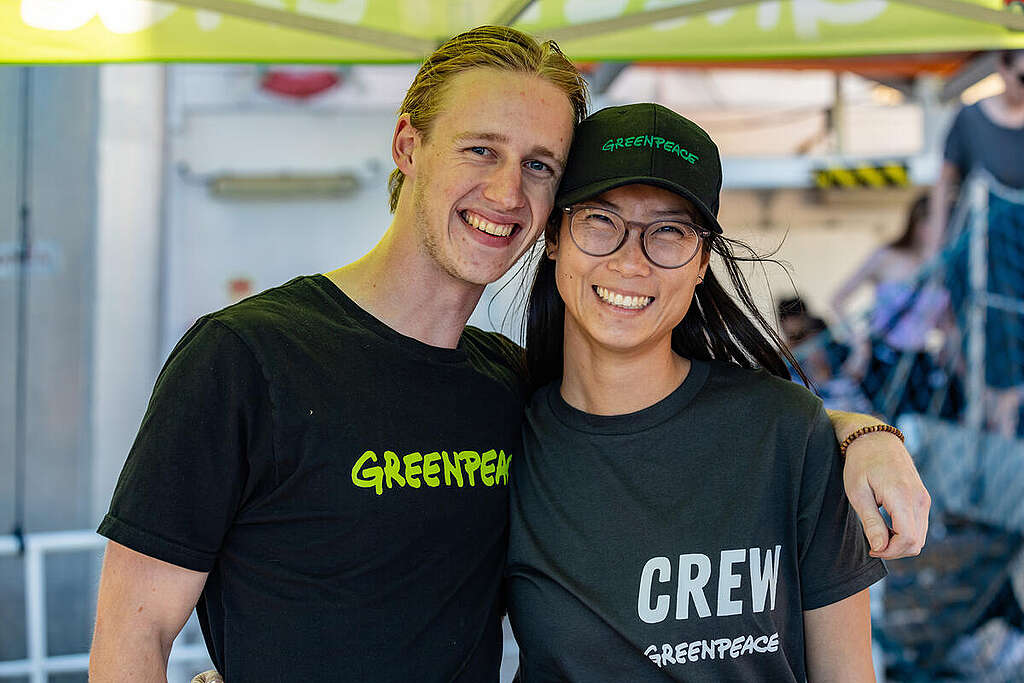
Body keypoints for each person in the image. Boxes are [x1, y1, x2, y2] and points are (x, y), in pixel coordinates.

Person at [89, 26, 927, 682]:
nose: (504, 193)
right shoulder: (246, 358)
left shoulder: (508, 384)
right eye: (480, 149)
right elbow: (134, 634)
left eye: (538, 166)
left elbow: (667, 413)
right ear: (408, 147)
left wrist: (855, 434)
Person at [507, 103, 886, 680]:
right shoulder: (506, 436)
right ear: (555, 236)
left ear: (702, 260)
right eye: (600, 221)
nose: (630, 262)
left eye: (669, 232)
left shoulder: (787, 432)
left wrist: (867, 431)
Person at [927, 49, 1024, 435]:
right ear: (1002, 69)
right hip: (983, 261)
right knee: (987, 356)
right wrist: (935, 250)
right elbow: (943, 185)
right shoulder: (971, 118)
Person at [831, 194, 955, 417]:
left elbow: (945, 324)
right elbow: (838, 299)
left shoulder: (945, 268)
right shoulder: (888, 257)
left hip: (919, 364)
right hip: (882, 358)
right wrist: (859, 343)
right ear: (918, 223)